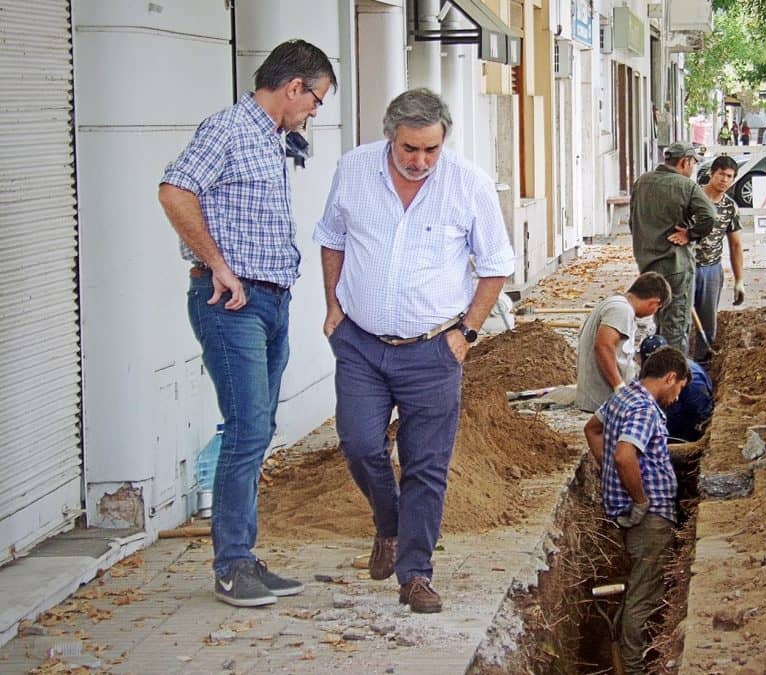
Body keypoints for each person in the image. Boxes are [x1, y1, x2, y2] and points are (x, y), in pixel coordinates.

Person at [313, 88, 514, 614]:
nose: (420, 161)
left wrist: (467, 332)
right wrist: (332, 306)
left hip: (433, 351)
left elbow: (495, 265)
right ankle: (389, 524)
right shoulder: (354, 171)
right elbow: (332, 238)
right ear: (390, 137)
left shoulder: (467, 184)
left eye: (431, 149)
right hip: (360, 343)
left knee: (426, 465)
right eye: (409, 149)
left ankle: (416, 574)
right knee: (360, 444)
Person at [158, 40, 336, 607]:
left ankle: (244, 558)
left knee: (255, 432)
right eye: (316, 100)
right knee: (248, 431)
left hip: (270, 304)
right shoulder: (230, 129)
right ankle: (232, 567)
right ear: (293, 87)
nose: (314, 111)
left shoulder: (270, 140)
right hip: (232, 305)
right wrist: (218, 265)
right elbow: (173, 190)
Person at [582, 346, 690, 675]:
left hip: (631, 515)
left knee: (640, 590)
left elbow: (592, 429)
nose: (677, 396)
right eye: (680, 388)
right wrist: (641, 499)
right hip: (650, 518)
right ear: (671, 377)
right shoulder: (644, 408)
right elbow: (625, 454)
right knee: (645, 597)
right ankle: (633, 667)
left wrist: (612, 475)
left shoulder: (624, 395)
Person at [629, 142, 716, 355]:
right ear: (685, 161)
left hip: (647, 264)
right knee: (676, 326)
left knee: (659, 316)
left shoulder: (642, 182)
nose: (693, 167)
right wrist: (690, 234)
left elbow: (632, 222)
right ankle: (673, 377)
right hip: (675, 265)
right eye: (693, 162)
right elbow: (709, 216)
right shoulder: (686, 186)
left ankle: (655, 369)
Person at [575, 272, 672, 413]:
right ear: (655, 302)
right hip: (601, 403)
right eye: (657, 309)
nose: (654, 312)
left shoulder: (617, 305)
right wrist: (619, 386)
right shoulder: (621, 310)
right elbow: (603, 346)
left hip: (603, 402)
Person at [693, 155, 745, 362]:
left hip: (711, 270)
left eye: (729, 176)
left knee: (707, 325)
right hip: (686, 266)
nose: (724, 180)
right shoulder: (693, 198)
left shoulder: (729, 207)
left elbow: (735, 244)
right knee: (678, 321)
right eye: (721, 174)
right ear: (711, 174)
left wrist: (739, 280)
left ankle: (703, 366)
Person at [638, 335, 713, 442]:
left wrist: (679, 441)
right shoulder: (649, 371)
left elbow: (700, 419)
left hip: (689, 417)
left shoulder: (694, 383)